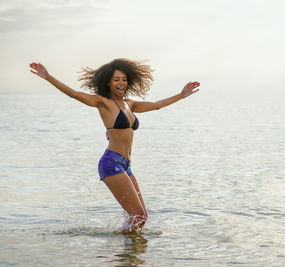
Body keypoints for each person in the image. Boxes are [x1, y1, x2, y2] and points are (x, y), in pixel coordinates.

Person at [29, 58, 200, 232]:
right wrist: (47, 76)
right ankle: (125, 253)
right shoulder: (103, 102)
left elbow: (156, 106)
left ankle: (126, 251)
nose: (121, 83)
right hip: (111, 163)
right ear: (108, 82)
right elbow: (75, 94)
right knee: (138, 216)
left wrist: (181, 95)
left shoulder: (129, 104)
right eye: (116, 79)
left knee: (141, 218)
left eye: (124, 79)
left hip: (126, 166)